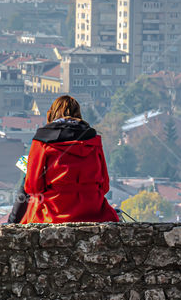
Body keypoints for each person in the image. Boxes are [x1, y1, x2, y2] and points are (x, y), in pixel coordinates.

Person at [8, 95, 119, 224]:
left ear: (52, 114)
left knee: (28, 188)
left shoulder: (42, 139)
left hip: (53, 213)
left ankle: (11, 223)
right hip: (93, 211)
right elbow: (104, 185)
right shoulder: (93, 139)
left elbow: (32, 187)